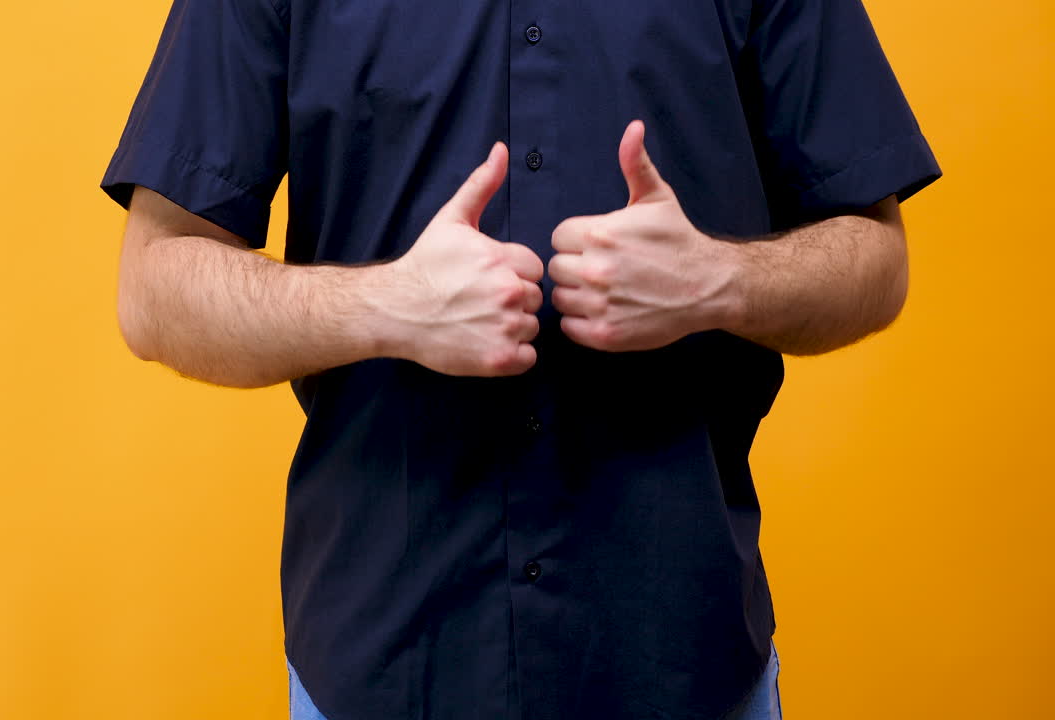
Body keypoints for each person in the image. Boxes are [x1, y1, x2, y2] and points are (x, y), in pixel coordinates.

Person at [99, 0, 941, 717]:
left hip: (683, 659)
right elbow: (155, 286)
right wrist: (388, 305)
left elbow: (875, 258)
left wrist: (715, 281)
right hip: (382, 667)